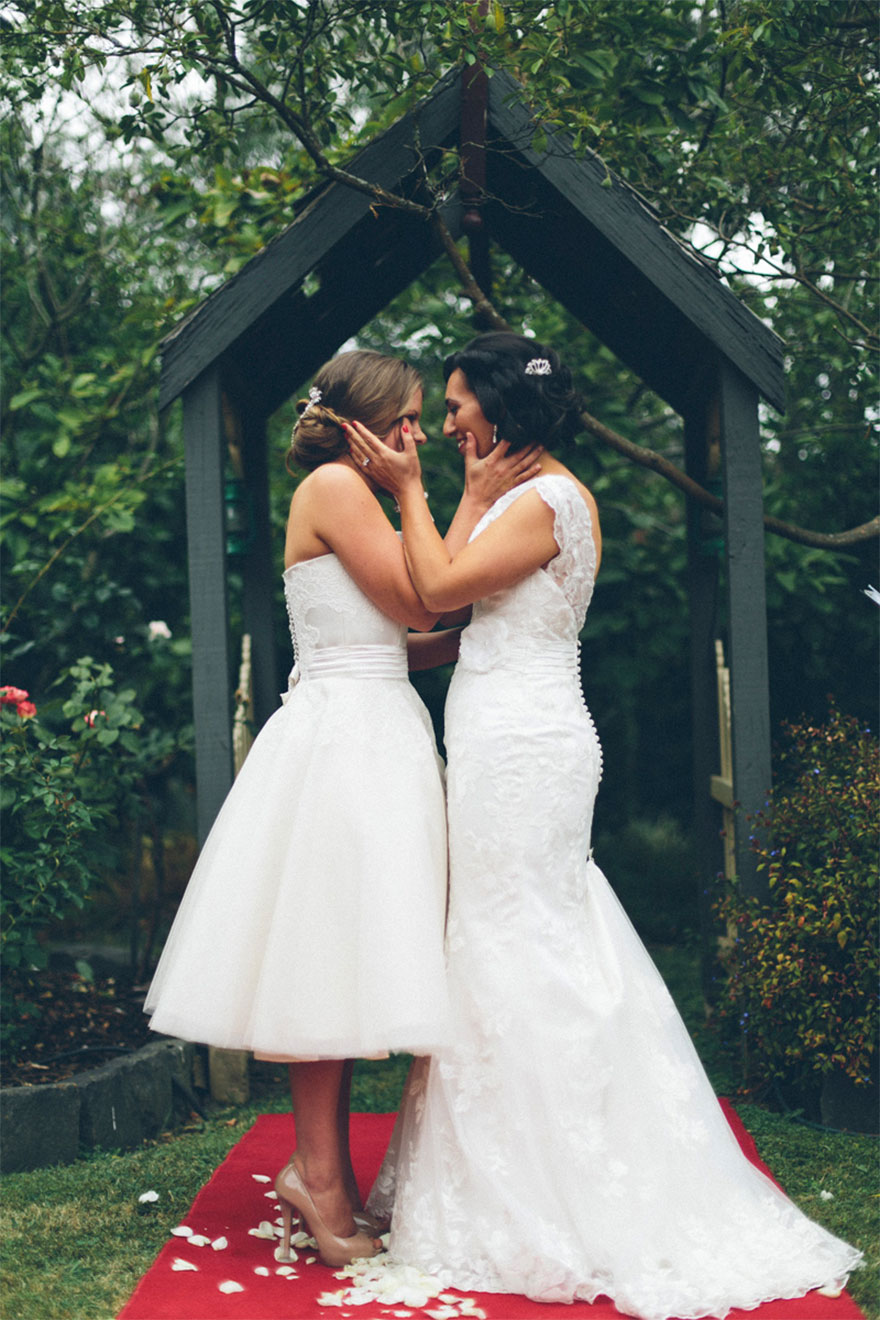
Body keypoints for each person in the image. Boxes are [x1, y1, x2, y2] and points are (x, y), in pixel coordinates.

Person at [346, 332, 862, 1318]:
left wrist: (408, 490)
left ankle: (565, 1185)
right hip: (504, 737)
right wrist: (451, 490)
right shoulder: (512, 495)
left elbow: (435, 590)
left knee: (516, 942)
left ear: (500, 408)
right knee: (500, 939)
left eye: (458, 405)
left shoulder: (550, 502)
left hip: (527, 746)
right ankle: (506, 1177)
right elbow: (438, 597)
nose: (447, 421)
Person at [145, 349, 540, 1270]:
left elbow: (402, 643)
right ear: (359, 423)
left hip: (381, 727)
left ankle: (322, 1174)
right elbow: (415, 598)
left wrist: (499, 635)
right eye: (402, 419)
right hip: (343, 751)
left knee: (360, 966)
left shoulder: (360, 493)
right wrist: (464, 505)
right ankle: (319, 1181)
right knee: (326, 967)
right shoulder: (336, 486)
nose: (415, 438)